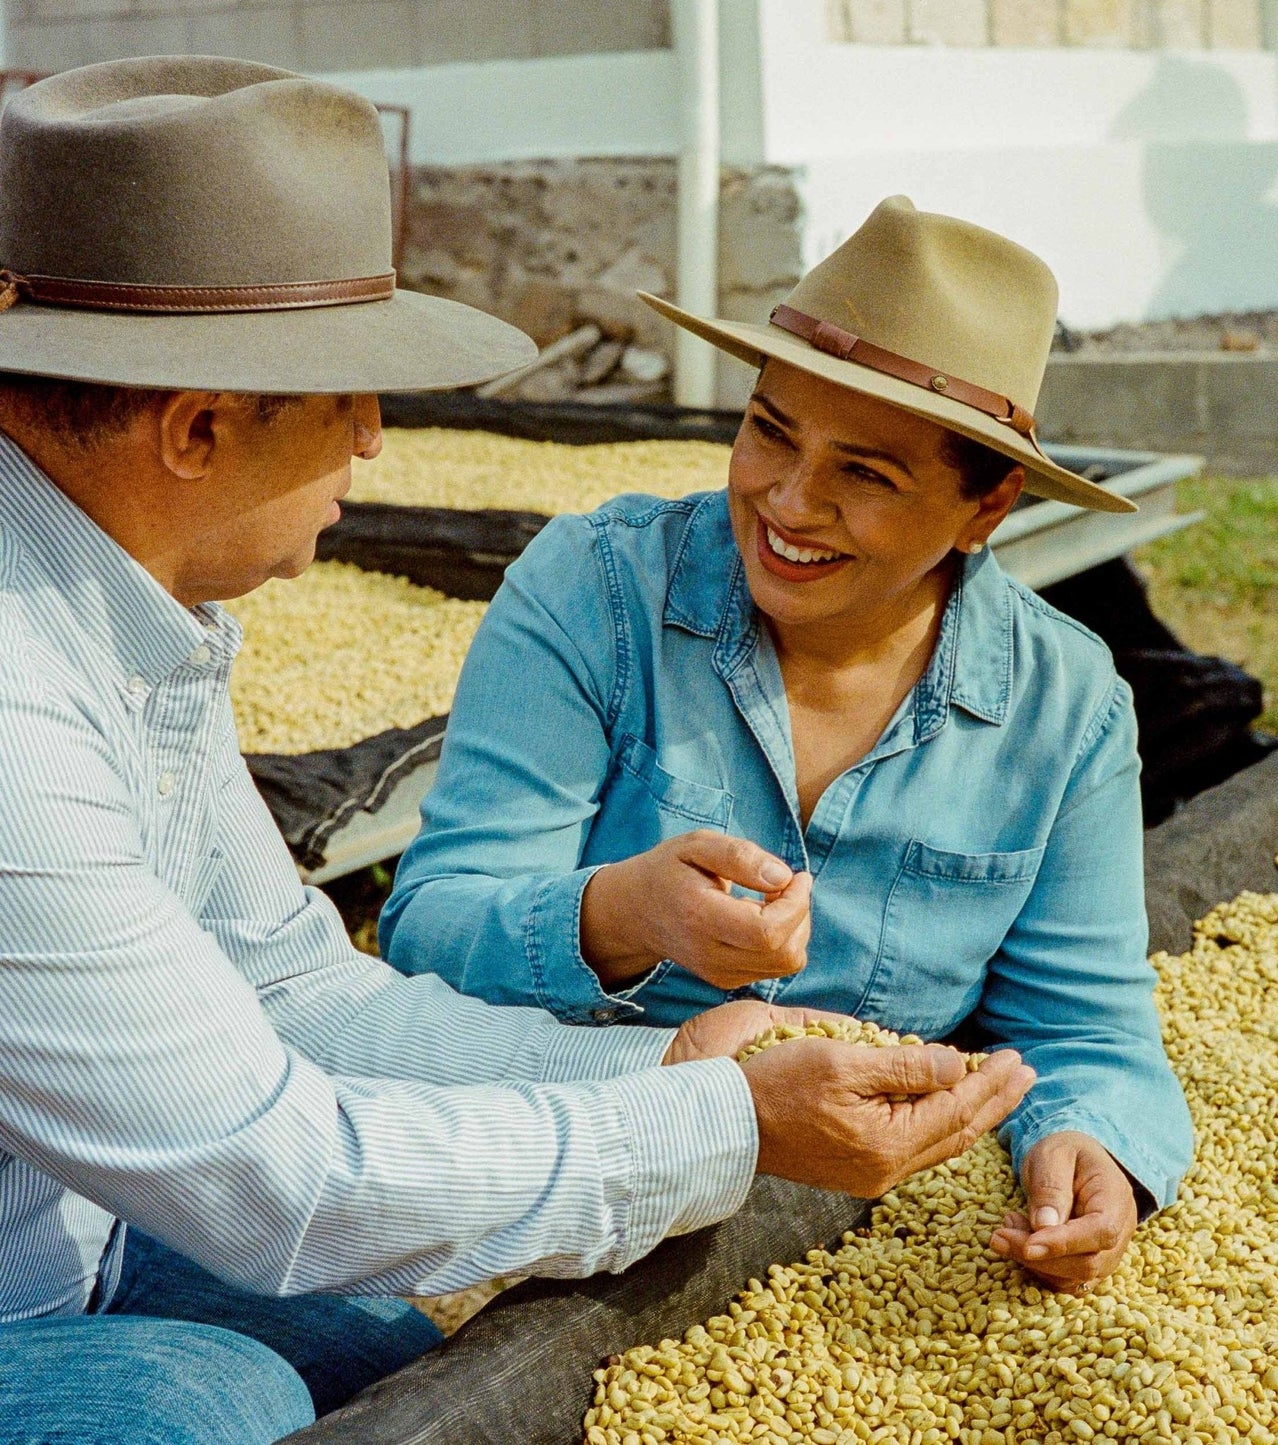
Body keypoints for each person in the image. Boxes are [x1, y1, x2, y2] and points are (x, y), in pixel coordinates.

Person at [0, 63, 1037, 1445]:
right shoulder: (19, 712)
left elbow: (299, 993)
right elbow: (277, 1174)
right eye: (350, 396)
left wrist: (659, 1075)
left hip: (63, 1231)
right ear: (194, 429)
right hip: (55, 1266)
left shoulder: (132, 619)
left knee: (405, 1321)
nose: (378, 436)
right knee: (217, 1399)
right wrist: (726, 1123)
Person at [382, 196, 1195, 1296]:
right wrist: (623, 912)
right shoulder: (596, 592)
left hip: (847, 1231)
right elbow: (426, 929)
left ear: (985, 504)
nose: (788, 501)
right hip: (563, 1156)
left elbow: (1080, 1023)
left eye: (865, 472)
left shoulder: (1060, 709)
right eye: (768, 429)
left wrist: (1089, 1148)